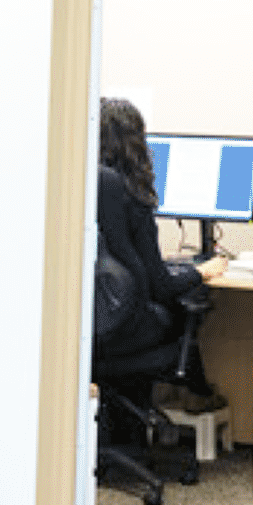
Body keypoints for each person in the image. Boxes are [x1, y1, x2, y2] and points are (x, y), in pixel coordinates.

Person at [94, 97, 228, 407]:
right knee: (190, 304)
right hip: (126, 330)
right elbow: (159, 287)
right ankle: (198, 395)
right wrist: (200, 271)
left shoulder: (77, 190)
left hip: (86, 331)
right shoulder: (131, 197)